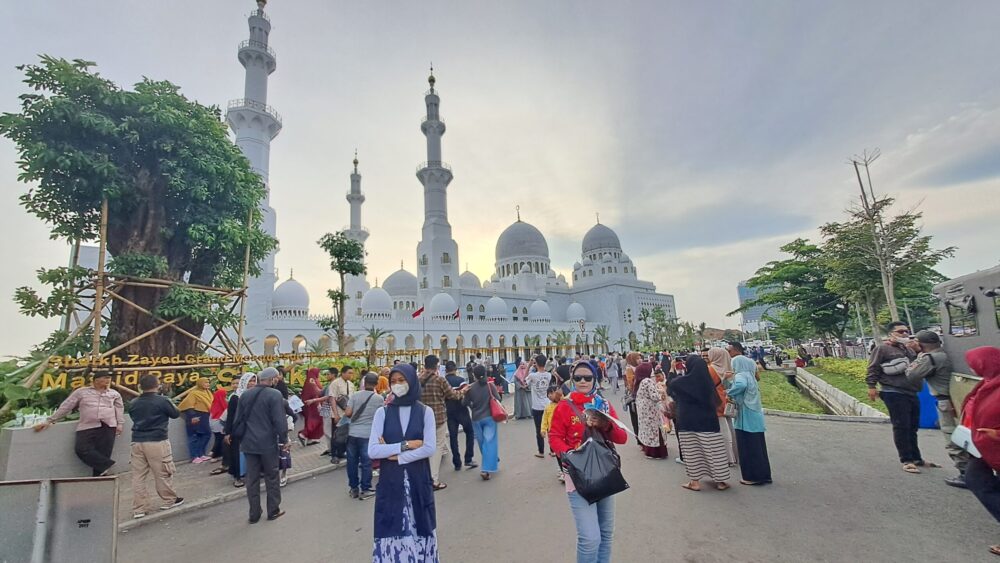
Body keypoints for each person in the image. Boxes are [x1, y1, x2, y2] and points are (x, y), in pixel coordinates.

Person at [549, 361, 629, 563]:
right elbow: (554, 437)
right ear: (571, 380)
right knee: (590, 538)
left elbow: (622, 438)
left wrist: (606, 425)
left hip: (604, 473)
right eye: (578, 378)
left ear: (595, 379)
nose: (583, 381)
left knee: (605, 534)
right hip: (578, 477)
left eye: (588, 377)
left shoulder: (603, 404)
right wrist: (568, 454)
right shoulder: (564, 407)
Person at [369, 364, 438, 561]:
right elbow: (373, 450)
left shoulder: (425, 412)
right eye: (393, 381)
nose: (397, 385)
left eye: (402, 380)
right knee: (391, 527)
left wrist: (396, 455)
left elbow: (429, 448)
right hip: (391, 482)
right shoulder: (382, 413)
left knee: (420, 526)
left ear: (412, 381)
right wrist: (407, 445)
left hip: (418, 481)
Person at [866, 321, 934, 473]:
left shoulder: (909, 350)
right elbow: (873, 367)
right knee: (901, 426)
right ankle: (907, 460)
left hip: (912, 391)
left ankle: (917, 458)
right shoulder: (882, 349)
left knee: (913, 426)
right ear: (891, 334)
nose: (904, 334)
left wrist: (916, 350)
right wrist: (871, 386)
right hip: (893, 392)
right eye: (900, 332)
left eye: (906, 331)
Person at [904, 330, 967, 487]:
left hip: (945, 402)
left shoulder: (931, 358)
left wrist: (915, 354)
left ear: (920, 344)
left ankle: (966, 473)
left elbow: (911, 374)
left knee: (952, 436)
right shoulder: (943, 354)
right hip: (956, 399)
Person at [34, 371, 124, 476]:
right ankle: (107, 465)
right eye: (105, 377)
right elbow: (67, 405)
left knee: (104, 451)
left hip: (108, 424)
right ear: (96, 380)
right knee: (81, 449)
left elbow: (119, 408)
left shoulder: (114, 393)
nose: (108, 380)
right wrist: (50, 420)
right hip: (87, 424)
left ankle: (99, 478)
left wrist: (120, 423)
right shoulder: (81, 392)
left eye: (109, 378)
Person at [232, 366, 289, 523]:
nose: (277, 380)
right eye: (276, 378)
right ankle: (273, 510)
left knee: (252, 479)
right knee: (272, 476)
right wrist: (284, 440)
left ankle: (254, 514)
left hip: (248, 443)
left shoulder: (245, 395)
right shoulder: (274, 394)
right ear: (272, 379)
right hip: (267, 443)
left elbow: (238, 420)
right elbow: (279, 420)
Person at [959, 347, 1000, 557]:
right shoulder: (986, 384)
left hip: (995, 445)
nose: (971, 368)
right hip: (983, 447)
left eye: (973, 363)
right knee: (975, 479)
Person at [668, 354, 731, 491]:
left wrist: (672, 369)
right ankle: (720, 481)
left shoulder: (683, 382)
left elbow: (671, 384)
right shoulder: (708, 382)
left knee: (692, 452)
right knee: (714, 451)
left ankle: (695, 482)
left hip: (688, 422)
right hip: (709, 422)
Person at [127, 374, 183, 519]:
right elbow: (175, 414)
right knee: (162, 472)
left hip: (137, 441)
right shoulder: (162, 400)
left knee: (138, 476)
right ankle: (169, 500)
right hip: (157, 441)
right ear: (157, 385)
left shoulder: (134, 402)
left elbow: (133, 417)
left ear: (140, 386)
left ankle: (139, 508)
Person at [418, 354, 466, 491]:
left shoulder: (417, 379)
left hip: (421, 418)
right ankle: (433, 480)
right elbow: (453, 395)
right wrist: (463, 391)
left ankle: (423, 476)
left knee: (424, 447)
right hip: (438, 418)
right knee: (437, 447)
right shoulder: (440, 380)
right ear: (436, 366)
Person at [727, 354, 772, 485]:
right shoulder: (751, 375)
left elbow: (740, 385)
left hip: (746, 416)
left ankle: (752, 477)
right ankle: (764, 475)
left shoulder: (741, 376)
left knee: (748, 447)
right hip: (755, 415)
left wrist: (728, 392)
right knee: (759, 447)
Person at [344, 373, 380, 500]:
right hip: (368, 435)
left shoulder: (355, 395)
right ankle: (365, 489)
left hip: (353, 434)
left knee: (352, 462)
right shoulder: (379, 399)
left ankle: (353, 488)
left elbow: (348, 413)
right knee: (366, 463)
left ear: (364, 383)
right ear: (376, 384)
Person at [463, 364, 502, 480]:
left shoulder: (470, 388)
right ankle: (486, 469)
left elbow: (464, 403)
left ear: (473, 375)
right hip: (489, 417)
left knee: (482, 443)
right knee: (489, 441)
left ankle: (491, 459)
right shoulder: (490, 386)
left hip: (476, 419)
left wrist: (472, 405)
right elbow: (498, 399)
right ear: (485, 373)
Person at [224, 373, 256, 488]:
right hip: (239, 431)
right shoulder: (235, 397)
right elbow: (230, 416)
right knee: (239, 453)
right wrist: (228, 433)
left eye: (254, 380)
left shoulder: (256, 395)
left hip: (253, 430)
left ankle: (252, 473)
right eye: (250, 381)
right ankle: (238, 477)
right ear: (244, 382)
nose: (252, 383)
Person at [444, 360, 477, 470]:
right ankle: (468, 458)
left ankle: (457, 462)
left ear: (446, 370)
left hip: (449, 412)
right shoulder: (460, 381)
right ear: (455, 369)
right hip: (462, 410)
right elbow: (467, 394)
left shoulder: (443, 382)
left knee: (453, 437)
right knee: (469, 432)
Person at [634, 362, 669, 459]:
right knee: (655, 430)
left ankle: (648, 450)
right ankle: (656, 453)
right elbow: (654, 397)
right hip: (651, 410)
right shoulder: (648, 381)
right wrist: (661, 392)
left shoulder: (639, 381)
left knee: (647, 430)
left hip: (643, 410)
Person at [710, 346, 738, 466]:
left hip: (717, 401)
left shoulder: (711, 369)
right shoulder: (729, 368)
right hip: (728, 400)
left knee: (722, 430)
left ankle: (728, 458)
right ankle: (736, 454)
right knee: (731, 428)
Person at [177, 377, 214, 464]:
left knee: (205, 434)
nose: (207, 384)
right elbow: (187, 405)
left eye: (208, 382)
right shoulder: (193, 393)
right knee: (194, 436)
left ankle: (201, 454)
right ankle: (194, 456)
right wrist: (193, 416)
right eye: (205, 382)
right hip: (195, 416)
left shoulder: (208, 392)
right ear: (200, 383)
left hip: (205, 415)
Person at [527, 354, 554, 458]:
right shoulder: (548, 375)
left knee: (539, 429)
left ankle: (541, 452)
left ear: (536, 364)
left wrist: (529, 366)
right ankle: (553, 450)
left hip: (537, 407)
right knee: (550, 428)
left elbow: (524, 380)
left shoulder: (533, 376)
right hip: (547, 405)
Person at [330, 366, 356, 462]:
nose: (351, 375)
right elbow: (332, 398)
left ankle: (341, 452)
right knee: (336, 435)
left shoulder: (351, 384)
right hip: (338, 413)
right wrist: (336, 414)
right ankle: (334, 455)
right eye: (349, 373)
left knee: (345, 435)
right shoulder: (335, 383)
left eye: (351, 373)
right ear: (343, 373)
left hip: (348, 414)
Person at [298, 367, 324, 446]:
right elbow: (314, 392)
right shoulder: (312, 381)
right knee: (316, 420)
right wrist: (318, 403)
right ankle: (303, 434)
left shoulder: (309, 380)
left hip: (307, 404)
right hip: (313, 404)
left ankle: (311, 438)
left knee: (309, 420)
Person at [208, 383, 229, 468]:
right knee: (220, 438)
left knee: (217, 438)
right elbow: (226, 409)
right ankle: (214, 454)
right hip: (218, 422)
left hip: (213, 421)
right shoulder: (221, 401)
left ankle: (215, 453)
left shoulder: (214, 402)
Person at [623, 352, 642, 436]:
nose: (640, 360)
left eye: (640, 358)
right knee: (636, 419)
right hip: (634, 396)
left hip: (642, 395)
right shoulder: (629, 369)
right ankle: (639, 438)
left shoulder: (641, 367)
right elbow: (630, 383)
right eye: (637, 358)